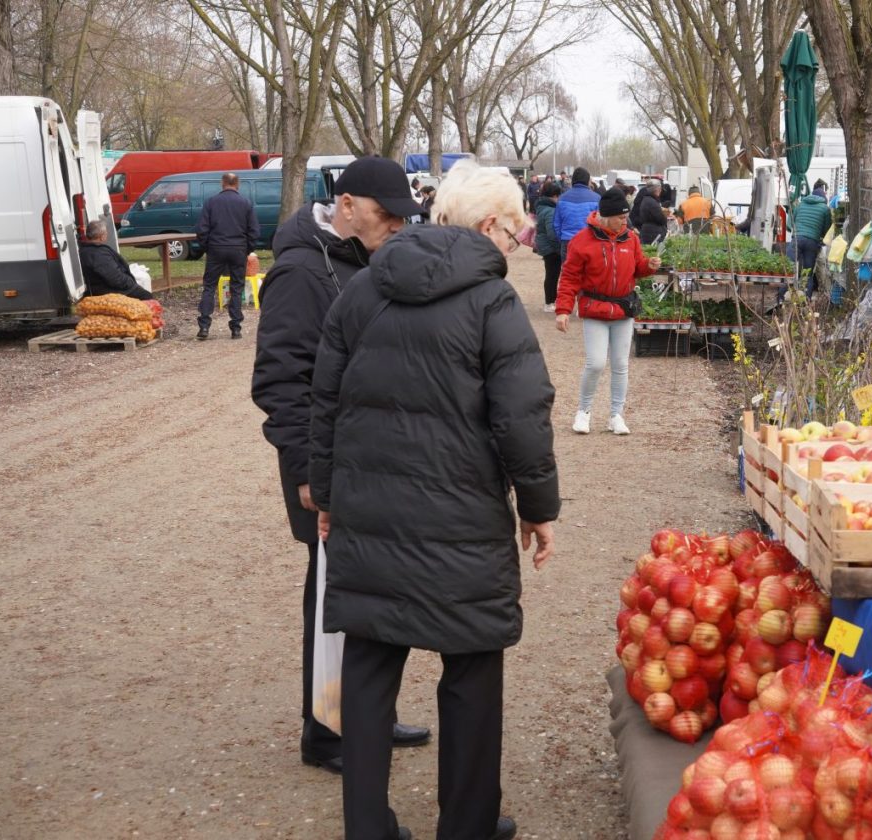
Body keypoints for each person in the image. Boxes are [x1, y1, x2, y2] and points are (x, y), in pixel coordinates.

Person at [309, 160, 558, 840]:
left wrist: (327, 496)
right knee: (472, 669)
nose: (517, 243)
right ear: (486, 226)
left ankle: (367, 826)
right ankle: (467, 824)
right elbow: (522, 417)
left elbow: (324, 404)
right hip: (463, 520)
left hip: (371, 515)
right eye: (513, 229)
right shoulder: (492, 302)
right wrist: (538, 508)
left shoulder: (360, 292)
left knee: (368, 668)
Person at [251, 156, 432, 779]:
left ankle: (361, 716)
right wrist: (306, 471)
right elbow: (281, 381)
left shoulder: (362, 257)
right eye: (387, 217)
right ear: (348, 205)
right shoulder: (300, 271)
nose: (396, 229)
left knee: (367, 592)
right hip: (321, 467)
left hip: (365, 459)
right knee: (332, 595)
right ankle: (326, 730)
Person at [554, 187, 660, 436]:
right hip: (595, 310)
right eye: (621, 217)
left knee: (621, 364)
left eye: (626, 217)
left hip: (624, 309)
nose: (626, 221)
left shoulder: (631, 239)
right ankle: (584, 411)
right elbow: (569, 278)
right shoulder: (581, 241)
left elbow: (637, 267)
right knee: (596, 363)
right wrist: (563, 310)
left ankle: (616, 415)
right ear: (606, 216)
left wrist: (649, 266)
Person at [195, 173, 259, 340]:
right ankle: (236, 328)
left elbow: (202, 229)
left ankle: (204, 326)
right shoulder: (245, 203)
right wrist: (247, 249)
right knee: (236, 288)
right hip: (238, 249)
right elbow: (254, 231)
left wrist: (207, 247)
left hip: (216, 248)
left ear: (222, 184)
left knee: (209, 286)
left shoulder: (211, 202)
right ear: (238, 184)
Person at [78, 220, 153, 300]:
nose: (107, 235)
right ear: (102, 236)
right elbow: (115, 278)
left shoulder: (85, 250)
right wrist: (131, 283)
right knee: (147, 296)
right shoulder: (99, 254)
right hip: (107, 291)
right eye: (106, 233)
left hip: (99, 288)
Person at [551, 167, 600, 261]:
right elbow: (600, 223)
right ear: (587, 181)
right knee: (589, 274)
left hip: (567, 241)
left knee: (569, 273)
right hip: (589, 242)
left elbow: (556, 224)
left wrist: (562, 239)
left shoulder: (562, 198)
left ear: (573, 180)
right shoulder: (597, 198)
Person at [793, 180, 833, 296]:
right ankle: (806, 299)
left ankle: (783, 298)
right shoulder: (824, 208)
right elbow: (827, 229)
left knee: (790, 270)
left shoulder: (800, 204)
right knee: (808, 272)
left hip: (797, 238)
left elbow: (793, 220)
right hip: (812, 242)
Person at [533, 181, 562, 312]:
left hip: (545, 246)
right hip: (551, 247)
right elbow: (552, 234)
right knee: (552, 275)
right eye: (558, 196)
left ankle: (550, 302)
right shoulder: (550, 210)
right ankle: (550, 303)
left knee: (551, 274)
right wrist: (559, 248)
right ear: (554, 196)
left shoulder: (541, 206)